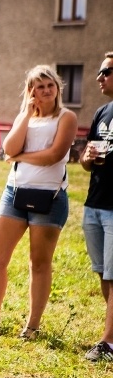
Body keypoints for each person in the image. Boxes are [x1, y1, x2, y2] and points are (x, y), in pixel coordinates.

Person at [0, 66, 77, 339]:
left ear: (57, 87)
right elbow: (8, 149)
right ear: (31, 90)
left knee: (39, 262)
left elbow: (54, 155)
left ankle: (32, 326)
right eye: (39, 86)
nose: (46, 90)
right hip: (15, 193)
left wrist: (21, 157)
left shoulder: (67, 117)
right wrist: (26, 113)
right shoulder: (27, 117)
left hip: (50, 196)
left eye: (50, 85)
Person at [81, 52, 113, 362]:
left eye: (106, 71)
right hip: (94, 204)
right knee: (103, 273)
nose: (99, 77)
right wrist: (87, 157)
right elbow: (85, 161)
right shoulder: (102, 112)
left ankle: (108, 342)